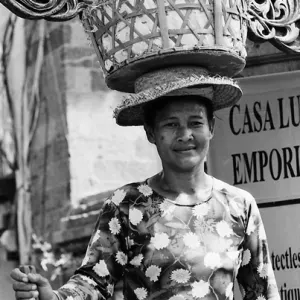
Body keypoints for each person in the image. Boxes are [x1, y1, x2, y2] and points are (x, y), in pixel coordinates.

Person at [10, 66, 280, 300]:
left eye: (195, 122)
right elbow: (94, 280)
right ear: (151, 133)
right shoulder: (127, 204)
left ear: (211, 128)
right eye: (171, 125)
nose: (185, 135)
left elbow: (261, 290)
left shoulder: (239, 205)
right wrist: (53, 297)